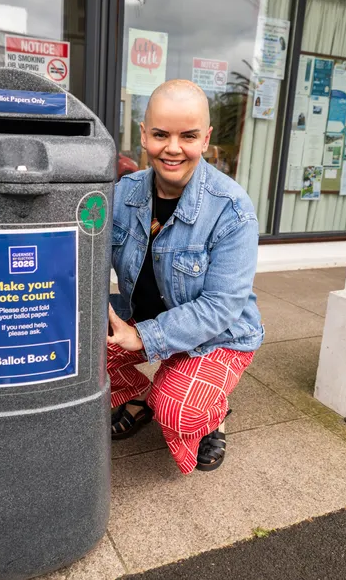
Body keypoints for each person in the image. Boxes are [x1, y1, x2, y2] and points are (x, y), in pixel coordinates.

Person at [107, 79, 263, 474]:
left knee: (177, 409)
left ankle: (211, 412)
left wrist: (142, 337)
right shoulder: (121, 195)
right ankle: (145, 395)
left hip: (218, 337)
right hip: (144, 316)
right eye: (161, 134)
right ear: (143, 135)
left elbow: (221, 307)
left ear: (206, 138)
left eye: (188, 136)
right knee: (65, 344)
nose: (173, 148)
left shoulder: (232, 210)